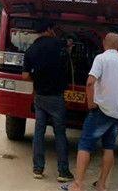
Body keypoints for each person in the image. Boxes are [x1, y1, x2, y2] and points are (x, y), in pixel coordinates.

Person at [67, 33, 118, 191]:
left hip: (101, 110)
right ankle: (101, 184)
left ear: (104, 43)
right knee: (109, 148)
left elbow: (90, 82)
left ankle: (77, 184)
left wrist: (91, 104)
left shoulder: (101, 59)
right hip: (117, 113)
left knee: (85, 145)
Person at [22, 20, 74, 182]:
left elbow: (24, 76)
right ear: (49, 29)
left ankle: (38, 169)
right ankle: (63, 171)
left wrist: (38, 79)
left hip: (40, 97)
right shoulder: (60, 45)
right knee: (59, 133)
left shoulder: (31, 49)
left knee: (39, 132)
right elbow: (66, 61)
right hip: (56, 97)